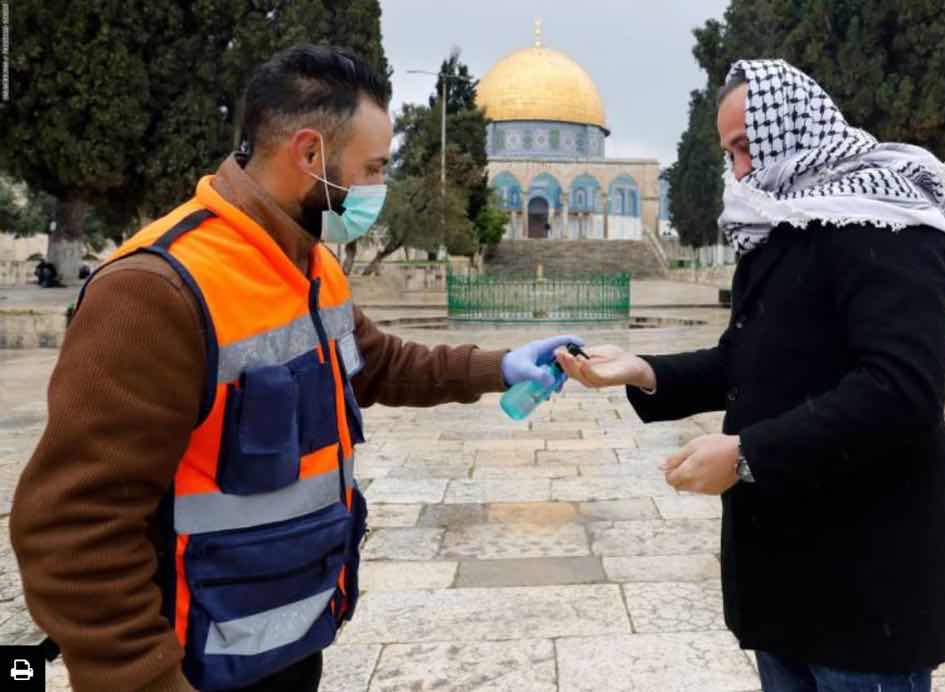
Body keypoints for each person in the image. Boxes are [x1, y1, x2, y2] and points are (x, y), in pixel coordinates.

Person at [10, 45, 580, 692]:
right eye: (372, 168)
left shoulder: (307, 266)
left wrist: (498, 367)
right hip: (195, 662)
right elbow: (73, 526)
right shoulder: (157, 289)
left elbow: (376, 364)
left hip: (286, 643)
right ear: (310, 153)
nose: (379, 188)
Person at [557, 59, 945, 692]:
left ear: (795, 126)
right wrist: (642, 371)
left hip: (867, 585)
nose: (739, 171)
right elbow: (743, 359)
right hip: (783, 577)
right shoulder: (779, 230)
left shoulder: (891, 224)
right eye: (730, 154)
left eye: (746, 147)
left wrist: (746, 454)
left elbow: (902, 391)